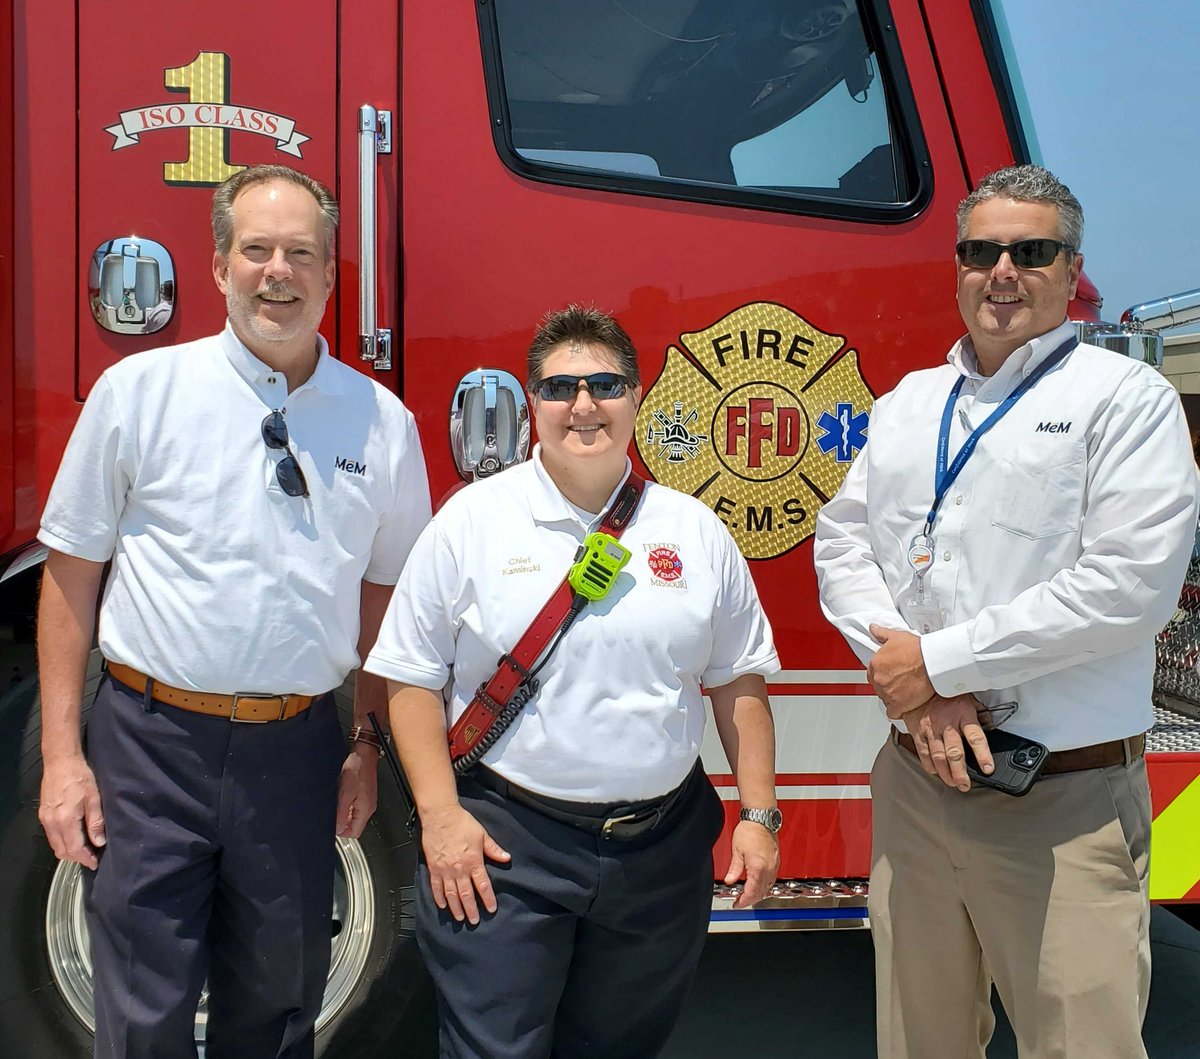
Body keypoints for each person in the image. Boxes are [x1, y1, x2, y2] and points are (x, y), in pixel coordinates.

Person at [36, 164, 431, 1059]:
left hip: (296, 753)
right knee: (142, 1012)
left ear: (331, 276)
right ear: (219, 267)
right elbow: (70, 577)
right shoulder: (138, 393)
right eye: (256, 250)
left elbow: (386, 599)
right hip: (148, 747)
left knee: (281, 1006)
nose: (277, 272)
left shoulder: (383, 423)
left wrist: (366, 743)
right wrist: (62, 758)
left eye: (301, 253)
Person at [813, 164, 1199, 1059]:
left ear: (1071, 270)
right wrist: (922, 687)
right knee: (919, 1041)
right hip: (916, 785)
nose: (1003, 272)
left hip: (1062, 803)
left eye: (1031, 252)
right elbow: (843, 543)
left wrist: (940, 665)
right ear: (956, 266)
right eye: (981, 251)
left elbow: (1126, 587)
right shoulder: (910, 403)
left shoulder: (1125, 400)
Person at [365, 305, 781, 1059]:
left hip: (660, 849)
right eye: (560, 388)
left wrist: (759, 814)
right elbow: (411, 679)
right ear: (533, 403)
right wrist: (441, 818)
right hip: (507, 848)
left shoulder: (694, 530)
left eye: (605, 384)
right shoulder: (471, 522)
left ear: (638, 397)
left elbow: (737, 681)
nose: (584, 404)